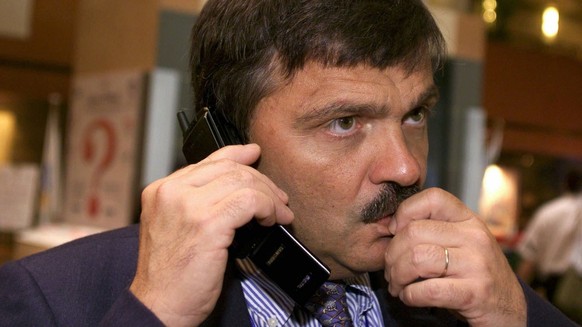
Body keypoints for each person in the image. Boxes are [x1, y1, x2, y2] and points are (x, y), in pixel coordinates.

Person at [0, 1, 576, 326]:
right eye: (344, 122)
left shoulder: (474, 303)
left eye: (415, 114)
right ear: (224, 144)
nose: (405, 168)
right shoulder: (50, 299)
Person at [517, 169, 582, 303]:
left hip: (549, 285)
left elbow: (530, 255)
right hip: (571, 286)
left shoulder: (548, 212)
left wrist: (516, 291)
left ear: (565, 184)